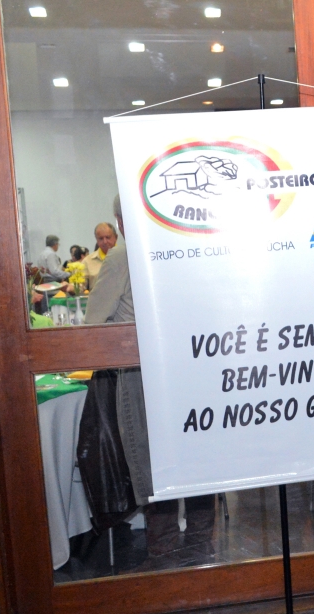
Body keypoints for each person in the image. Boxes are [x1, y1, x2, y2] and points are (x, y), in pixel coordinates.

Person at [85, 195, 215, 558]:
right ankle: (202, 547)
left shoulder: (121, 258)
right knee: (197, 457)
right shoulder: (187, 247)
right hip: (191, 367)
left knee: (155, 463)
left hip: (142, 374)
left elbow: (93, 323)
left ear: (121, 222)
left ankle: (165, 552)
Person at [82, 222, 119, 290]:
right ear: (96, 240)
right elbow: (81, 286)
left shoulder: (127, 257)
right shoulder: (87, 261)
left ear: (116, 237)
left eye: (108, 237)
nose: (105, 241)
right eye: (101, 238)